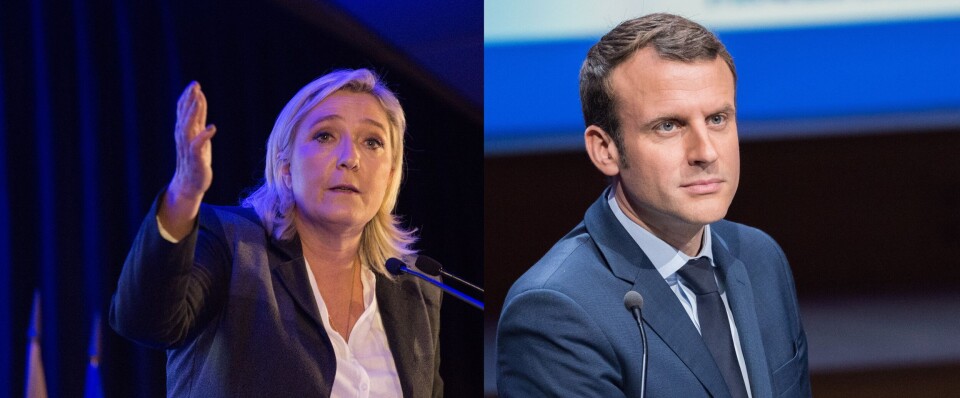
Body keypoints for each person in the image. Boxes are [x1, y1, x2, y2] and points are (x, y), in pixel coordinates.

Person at [497, 13, 810, 398]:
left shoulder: (761, 258)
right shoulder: (554, 310)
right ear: (605, 149)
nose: (706, 152)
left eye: (717, 118)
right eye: (668, 126)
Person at [110, 69, 442, 397]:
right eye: (325, 135)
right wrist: (184, 194)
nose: (350, 158)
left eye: (372, 142)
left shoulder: (414, 289)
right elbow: (145, 321)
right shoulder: (232, 245)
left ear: (391, 174)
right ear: (285, 169)